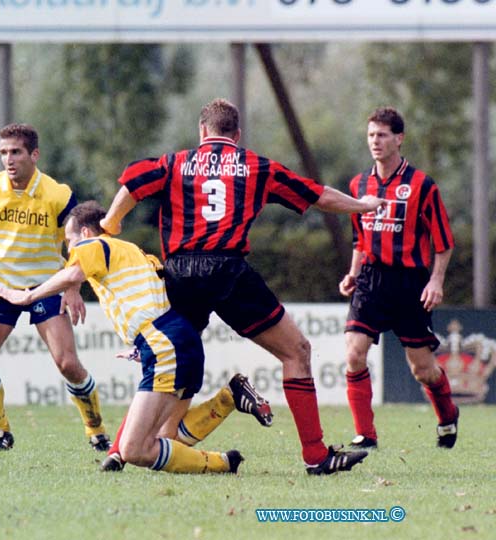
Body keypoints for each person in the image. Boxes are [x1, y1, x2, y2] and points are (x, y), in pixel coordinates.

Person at [100, 98, 385, 475]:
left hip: (179, 273)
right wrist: (363, 205)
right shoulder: (255, 166)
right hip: (226, 271)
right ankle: (316, 455)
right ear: (237, 133)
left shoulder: (174, 162)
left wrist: (112, 221)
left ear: (203, 131)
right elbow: (319, 196)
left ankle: (120, 449)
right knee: (296, 352)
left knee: (170, 360)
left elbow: (133, 182)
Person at [0, 201, 273, 474]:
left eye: (69, 241)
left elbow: (74, 271)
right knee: (167, 440)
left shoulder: (93, 245)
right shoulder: (134, 252)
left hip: (164, 345)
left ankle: (220, 463)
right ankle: (229, 404)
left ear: (85, 233)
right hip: (178, 340)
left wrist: (28, 296)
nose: (69, 249)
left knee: (136, 449)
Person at [0, 123, 110, 452]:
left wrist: (71, 286)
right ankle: (0, 431)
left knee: (67, 363)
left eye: (16, 152)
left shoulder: (58, 194)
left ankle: (95, 429)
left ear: (34, 155)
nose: (8, 160)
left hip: (45, 285)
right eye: (3, 153)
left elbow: (78, 243)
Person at [339, 107, 457, 450]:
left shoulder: (422, 185)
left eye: (383, 135)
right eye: (371, 135)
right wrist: (353, 273)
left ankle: (448, 416)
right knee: (354, 353)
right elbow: (360, 238)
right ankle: (366, 435)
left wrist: (435, 281)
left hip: (409, 284)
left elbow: (444, 242)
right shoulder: (358, 185)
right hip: (371, 281)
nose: (375, 141)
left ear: (399, 139)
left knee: (423, 369)